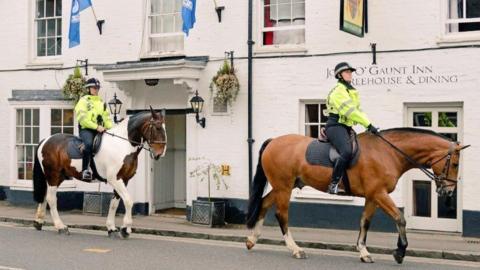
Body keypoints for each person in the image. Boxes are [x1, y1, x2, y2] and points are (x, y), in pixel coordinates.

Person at [325, 62, 379, 194]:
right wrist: (367, 124)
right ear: (340, 75)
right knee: (347, 151)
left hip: (346, 127)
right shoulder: (338, 91)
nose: (350, 74)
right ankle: (333, 184)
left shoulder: (350, 90)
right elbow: (349, 111)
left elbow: (358, 110)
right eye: (347, 72)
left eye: (351, 72)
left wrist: (369, 124)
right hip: (335, 126)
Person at [74, 78, 113, 181]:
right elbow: (83, 120)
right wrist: (96, 127)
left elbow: (106, 118)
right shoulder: (83, 101)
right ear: (88, 89)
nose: (96, 90)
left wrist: (111, 128)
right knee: (89, 144)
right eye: (94, 88)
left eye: (97, 88)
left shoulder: (101, 102)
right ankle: (85, 171)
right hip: (86, 129)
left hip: (100, 129)